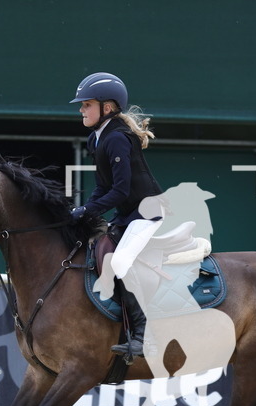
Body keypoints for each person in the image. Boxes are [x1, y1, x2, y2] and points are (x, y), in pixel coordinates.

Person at [69, 72, 162, 358]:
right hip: (128, 215)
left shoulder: (117, 139)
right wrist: (82, 211)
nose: (81, 109)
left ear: (107, 108)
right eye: (82, 104)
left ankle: (145, 337)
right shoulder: (96, 139)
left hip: (146, 213)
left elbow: (120, 191)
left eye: (87, 104)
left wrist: (88, 210)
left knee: (120, 262)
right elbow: (103, 188)